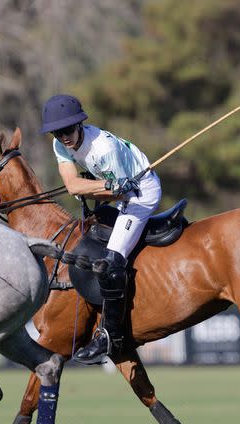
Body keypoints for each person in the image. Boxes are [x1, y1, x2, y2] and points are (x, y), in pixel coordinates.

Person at [40, 94, 162, 364]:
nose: (64, 138)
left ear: (80, 125)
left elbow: (121, 194)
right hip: (115, 190)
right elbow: (72, 185)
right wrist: (103, 187)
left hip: (141, 193)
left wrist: (103, 188)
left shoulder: (103, 149)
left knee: (112, 259)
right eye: (58, 133)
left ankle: (110, 334)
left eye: (68, 130)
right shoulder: (60, 145)